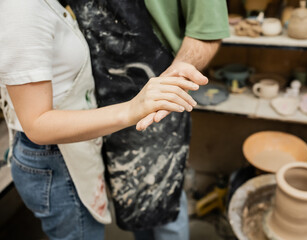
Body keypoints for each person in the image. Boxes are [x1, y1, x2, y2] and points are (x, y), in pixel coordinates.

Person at [0, 0, 207, 239]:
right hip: (53, 157)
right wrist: (131, 109)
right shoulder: (21, 8)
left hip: (72, 147)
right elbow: (36, 123)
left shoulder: (48, 4)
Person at [66, 0, 230, 239]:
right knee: (133, 203)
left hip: (158, 90)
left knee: (163, 202)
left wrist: (171, 82)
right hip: (96, 101)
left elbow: (207, 31)